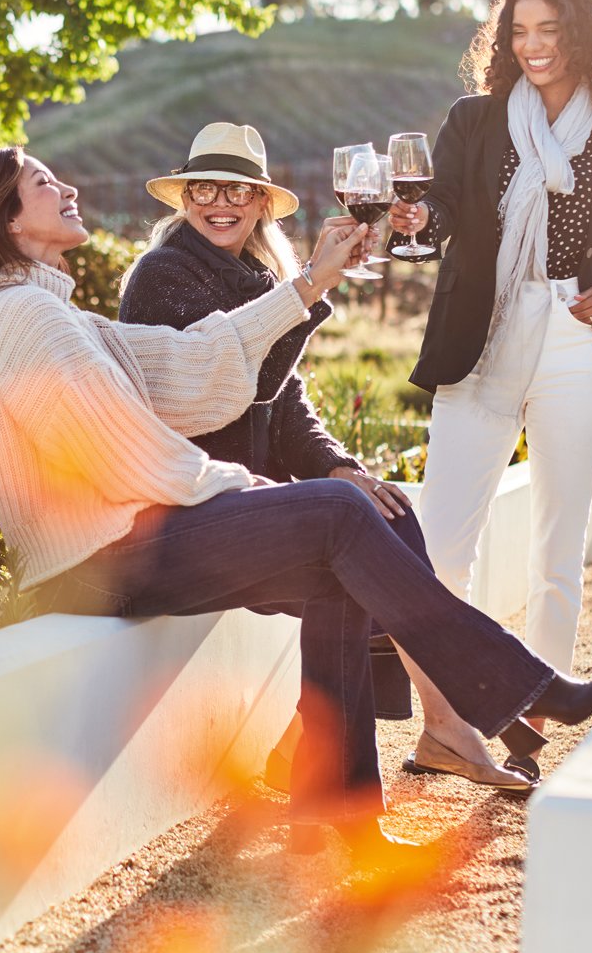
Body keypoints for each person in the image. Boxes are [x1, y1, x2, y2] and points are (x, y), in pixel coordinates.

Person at [0, 144, 592, 857]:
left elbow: (193, 366)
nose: (68, 190)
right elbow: (115, 448)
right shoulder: (22, 315)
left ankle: (338, 808)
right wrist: (247, 487)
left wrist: (311, 283)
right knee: (338, 514)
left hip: (125, 541)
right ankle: (522, 688)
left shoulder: (55, 313)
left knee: (333, 566)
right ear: (6, 219)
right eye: (44, 182)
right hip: (97, 559)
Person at [118, 122, 530, 792]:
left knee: (388, 512)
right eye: (203, 188)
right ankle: (444, 729)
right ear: (184, 198)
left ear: (259, 205)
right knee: (371, 561)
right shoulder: (163, 277)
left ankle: (416, 733)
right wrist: (309, 290)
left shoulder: (258, 276)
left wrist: (340, 467)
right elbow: (232, 387)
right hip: (199, 511)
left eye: (237, 190)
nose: (218, 202)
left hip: (253, 500)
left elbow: (288, 411)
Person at [386, 0, 592, 788]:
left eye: (548, 29)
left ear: (581, 34)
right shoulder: (474, 122)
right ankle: (449, 722)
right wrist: (418, 214)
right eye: (519, 31)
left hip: (577, 336)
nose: (533, 46)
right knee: (442, 544)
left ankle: (534, 715)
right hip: (487, 333)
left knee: (556, 546)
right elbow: (446, 212)